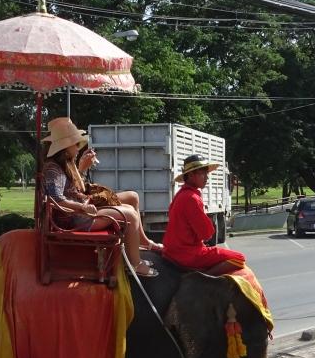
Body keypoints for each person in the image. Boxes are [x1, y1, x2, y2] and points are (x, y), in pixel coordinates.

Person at [40, 117, 158, 279]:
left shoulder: (64, 165)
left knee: (130, 205)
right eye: (76, 144)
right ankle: (135, 264)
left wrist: (81, 169)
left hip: (79, 212)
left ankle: (136, 248)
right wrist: (82, 207)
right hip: (76, 219)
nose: (79, 147)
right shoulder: (54, 169)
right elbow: (57, 199)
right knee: (130, 214)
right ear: (65, 147)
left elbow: (75, 189)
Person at [163, 154, 248, 275]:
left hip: (173, 252)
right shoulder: (192, 198)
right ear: (191, 175)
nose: (207, 177)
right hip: (188, 254)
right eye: (203, 173)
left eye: (206, 173)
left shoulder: (180, 194)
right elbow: (206, 234)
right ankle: (205, 277)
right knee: (239, 258)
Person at [75, 143, 162, 252]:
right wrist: (81, 169)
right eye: (75, 145)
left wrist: (82, 167)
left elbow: (78, 188)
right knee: (129, 211)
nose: (77, 149)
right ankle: (136, 255)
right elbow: (73, 192)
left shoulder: (69, 162)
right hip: (83, 207)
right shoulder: (61, 166)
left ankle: (142, 240)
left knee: (133, 197)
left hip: (86, 202)